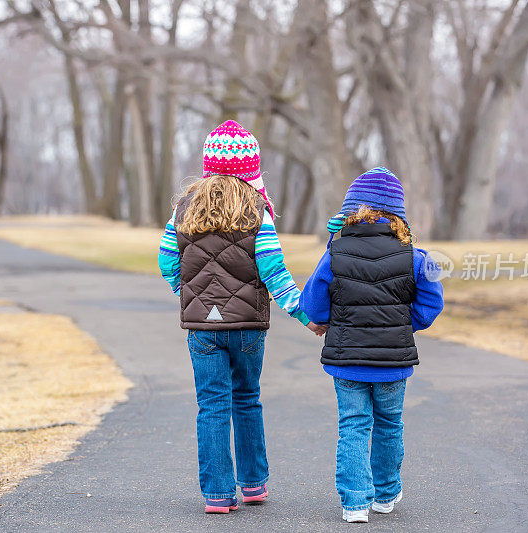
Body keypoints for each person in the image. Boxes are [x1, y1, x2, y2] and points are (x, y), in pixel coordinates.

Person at [158, 120, 326, 514]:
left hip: (202, 327)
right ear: (251, 168)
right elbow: (273, 271)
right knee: (247, 398)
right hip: (248, 326)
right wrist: (307, 317)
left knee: (212, 403)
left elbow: (167, 261)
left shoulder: (185, 209)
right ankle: (252, 484)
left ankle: (217, 494)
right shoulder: (256, 211)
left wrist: (189, 295)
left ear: (208, 165)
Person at [299, 167, 444, 523]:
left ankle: (354, 504)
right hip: (393, 360)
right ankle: (385, 494)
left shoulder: (334, 253)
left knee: (353, 424)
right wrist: (399, 325)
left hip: (347, 359)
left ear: (350, 211)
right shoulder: (419, 257)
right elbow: (431, 305)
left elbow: (313, 306)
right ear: (399, 215)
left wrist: (331, 321)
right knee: (390, 423)